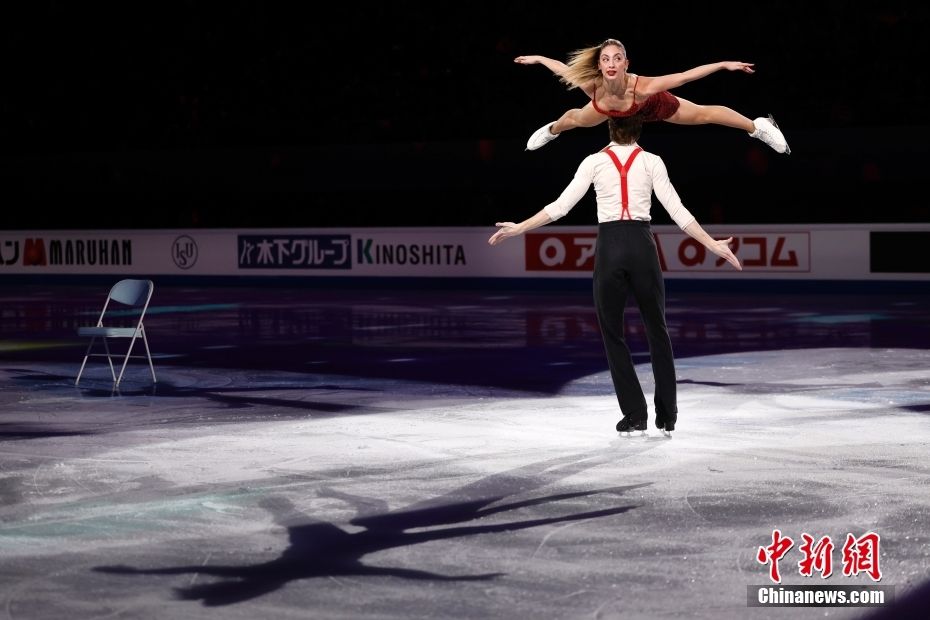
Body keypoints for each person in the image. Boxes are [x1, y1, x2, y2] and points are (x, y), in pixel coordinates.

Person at [488, 114, 742, 437]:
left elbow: (560, 207)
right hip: (642, 247)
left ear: (609, 127)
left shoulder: (593, 162)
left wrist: (519, 228)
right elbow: (678, 211)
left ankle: (635, 413)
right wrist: (711, 244)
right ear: (639, 128)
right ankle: (668, 415)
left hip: (610, 249)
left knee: (612, 332)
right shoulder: (652, 162)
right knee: (657, 329)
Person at [516, 38, 790, 154]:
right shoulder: (593, 86)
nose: (611, 63)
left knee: (704, 113)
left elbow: (684, 76)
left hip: (652, 107)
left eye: (617, 58)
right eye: (606, 59)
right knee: (573, 119)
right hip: (609, 109)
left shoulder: (643, 88)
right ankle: (551, 131)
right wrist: (539, 58)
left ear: (626, 64)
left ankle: (758, 127)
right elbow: (562, 69)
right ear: (599, 65)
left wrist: (722, 64)